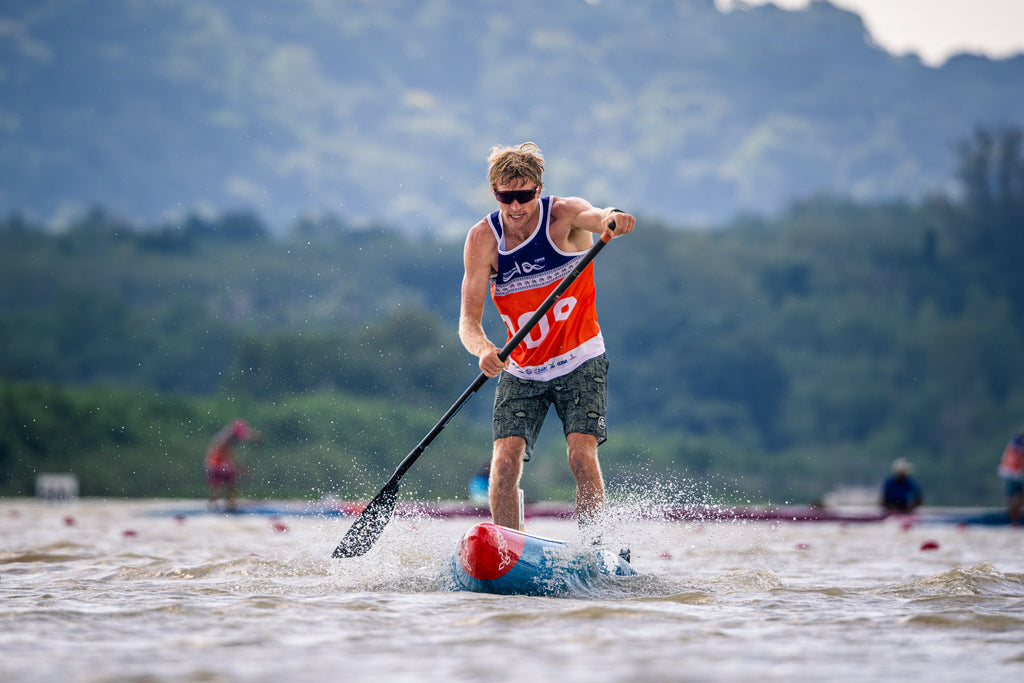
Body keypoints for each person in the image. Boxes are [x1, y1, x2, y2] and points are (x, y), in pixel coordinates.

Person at [458, 142, 636, 535]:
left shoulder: (562, 215)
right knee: (503, 465)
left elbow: (596, 216)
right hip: (523, 368)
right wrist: (484, 349)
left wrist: (614, 217)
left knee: (580, 457)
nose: (516, 207)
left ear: (539, 189)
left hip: (581, 358)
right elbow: (468, 323)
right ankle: (508, 549)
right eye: (507, 197)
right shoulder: (482, 239)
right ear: (495, 194)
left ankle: (593, 545)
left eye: (525, 195)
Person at [205, 419, 262, 511]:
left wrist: (256, 436)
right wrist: (240, 468)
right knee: (217, 487)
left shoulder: (232, 434)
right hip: (216, 463)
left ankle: (230, 505)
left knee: (231, 486)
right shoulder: (226, 439)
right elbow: (228, 455)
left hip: (222, 463)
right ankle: (214, 507)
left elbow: (248, 434)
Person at [998, 430, 1024, 525]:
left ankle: (1015, 517)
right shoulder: (1017, 443)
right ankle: (1012, 519)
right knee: (1013, 496)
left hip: (1014, 474)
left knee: (1019, 494)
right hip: (1010, 473)